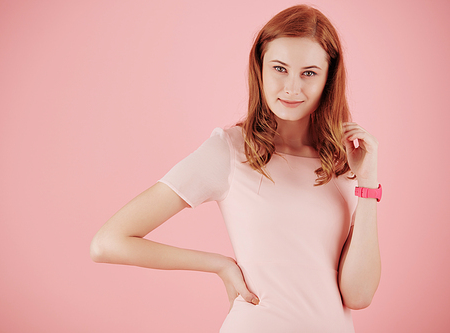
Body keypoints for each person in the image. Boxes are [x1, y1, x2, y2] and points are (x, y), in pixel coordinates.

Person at [90, 4, 381, 332]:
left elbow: (358, 295)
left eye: (309, 73)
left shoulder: (342, 161)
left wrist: (367, 183)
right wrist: (220, 265)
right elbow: (107, 242)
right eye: (279, 68)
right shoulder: (230, 150)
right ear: (260, 69)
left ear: (329, 78)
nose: (292, 88)